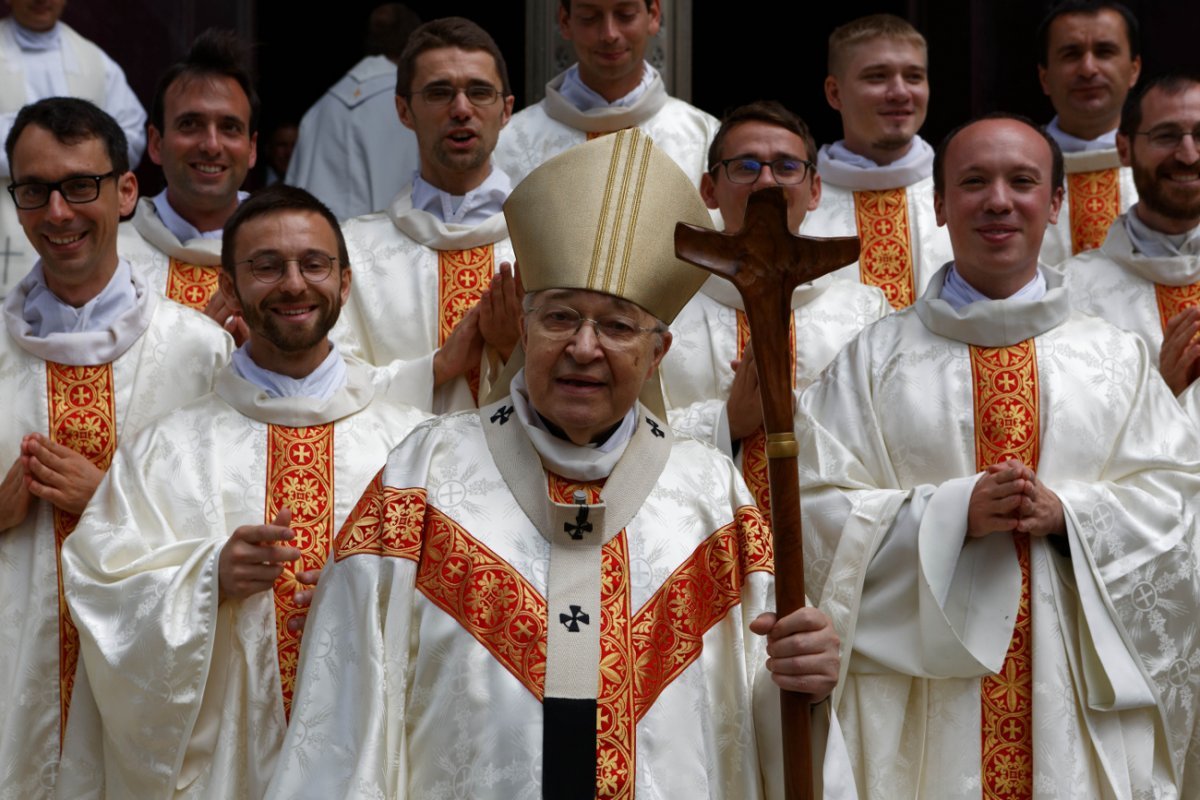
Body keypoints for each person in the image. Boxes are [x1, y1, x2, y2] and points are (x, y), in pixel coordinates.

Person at [266, 129, 855, 799]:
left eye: (616, 326)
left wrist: (805, 684)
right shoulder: (423, 477)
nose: (583, 347)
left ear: (657, 354)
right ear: (524, 327)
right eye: (560, 318)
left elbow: (753, 717)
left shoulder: (706, 496)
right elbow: (346, 708)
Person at [797, 113, 1200, 797]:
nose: (998, 200)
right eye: (973, 182)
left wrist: (1070, 516)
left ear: (1056, 203)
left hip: (1074, 698)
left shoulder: (1112, 358)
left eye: (1022, 181)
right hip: (919, 706)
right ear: (939, 203)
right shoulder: (871, 360)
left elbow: (1180, 501)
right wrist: (953, 514)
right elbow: (813, 508)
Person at [58, 185, 447, 799]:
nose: (294, 284)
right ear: (231, 289)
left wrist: (371, 593)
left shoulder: (415, 448)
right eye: (267, 266)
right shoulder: (167, 449)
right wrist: (208, 576)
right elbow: (100, 587)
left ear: (345, 283)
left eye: (314, 264)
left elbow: (460, 614)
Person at [0, 97, 230, 799]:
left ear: (126, 191)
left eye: (80, 186)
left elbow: (235, 522)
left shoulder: (199, 350)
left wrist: (109, 499)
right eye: (33, 190)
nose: (59, 213)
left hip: (148, 686)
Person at [659, 100, 890, 515]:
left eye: (786, 167)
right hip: (704, 543)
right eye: (746, 167)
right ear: (708, 190)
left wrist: (794, 411)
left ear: (814, 190)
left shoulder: (865, 313)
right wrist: (727, 422)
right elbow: (624, 434)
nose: (766, 181)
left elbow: (893, 443)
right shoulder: (662, 310)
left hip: (823, 545)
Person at [329, 17, 521, 412]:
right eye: (439, 93)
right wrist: (438, 367)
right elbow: (329, 384)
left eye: (480, 92)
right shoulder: (350, 250)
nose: (461, 109)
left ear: (506, 111)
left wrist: (512, 351)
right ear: (403, 110)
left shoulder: (550, 241)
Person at [797, 14, 951, 311]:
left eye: (914, 76)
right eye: (877, 77)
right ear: (834, 92)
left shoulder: (961, 194)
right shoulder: (799, 203)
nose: (900, 92)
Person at [1061, 74, 1200, 402]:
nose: (1189, 155)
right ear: (1124, 149)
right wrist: (1160, 393)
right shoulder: (1071, 292)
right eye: (1166, 136)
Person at [0, 0, 146, 302]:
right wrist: (27, 157)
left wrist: (80, 164)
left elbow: (131, 133)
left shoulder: (94, 61)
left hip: (82, 238)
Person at [491, 0, 718, 188]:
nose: (609, 34)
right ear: (565, 21)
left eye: (625, 14)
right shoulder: (509, 144)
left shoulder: (705, 138)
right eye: (590, 17)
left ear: (654, 16)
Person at [117, 29, 258, 328]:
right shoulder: (111, 258)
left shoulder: (288, 256)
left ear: (251, 149)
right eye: (190, 124)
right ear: (156, 143)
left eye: (229, 127)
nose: (211, 145)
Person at [287, 3, 422, 219]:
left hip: (324, 247)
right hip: (394, 246)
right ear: (414, 47)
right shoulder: (415, 107)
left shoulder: (320, 109)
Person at [1036, 0, 1142, 264]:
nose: (1088, 69)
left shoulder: (1170, 168)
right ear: (1045, 78)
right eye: (1071, 54)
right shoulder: (1011, 168)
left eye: (1105, 52)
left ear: (1133, 70)